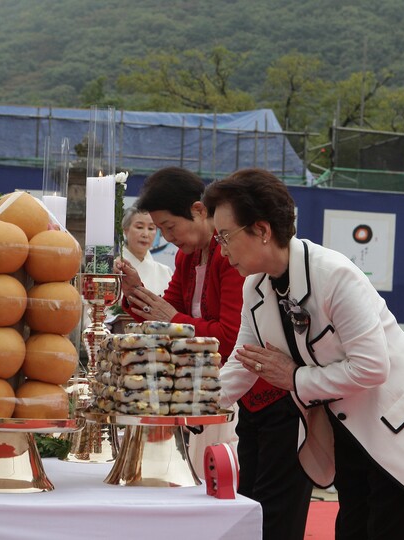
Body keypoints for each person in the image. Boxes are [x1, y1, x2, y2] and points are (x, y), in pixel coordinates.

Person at [204, 168, 404, 539]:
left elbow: (372, 366)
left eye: (225, 237)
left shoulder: (334, 275)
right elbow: (245, 360)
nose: (221, 250)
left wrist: (296, 378)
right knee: (350, 528)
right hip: (347, 431)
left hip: (396, 426)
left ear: (262, 230)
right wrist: (194, 404)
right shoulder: (256, 288)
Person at [114, 167, 257, 526]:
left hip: (228, 390)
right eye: (158, 229)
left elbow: (228, 337)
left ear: (197, 210)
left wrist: (175, 318)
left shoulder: (230, 257)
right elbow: (166, 316)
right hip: (192, 388)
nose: (164, 236)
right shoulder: (187, 256)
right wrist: (133, 291)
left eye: (168, 227)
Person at [119, 206, 173, 296]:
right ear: (125, 230)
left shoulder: (165, 272)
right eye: (139, 227)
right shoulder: (114, 267)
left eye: (151, 228)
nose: (145, 234)